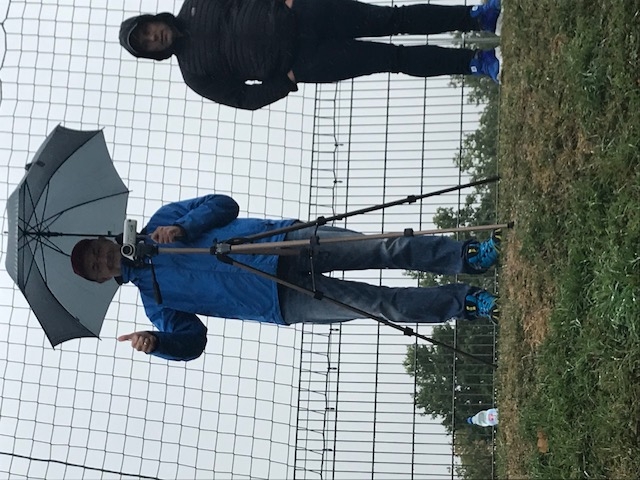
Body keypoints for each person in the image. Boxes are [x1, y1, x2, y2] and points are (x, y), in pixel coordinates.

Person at [70, 194, 501, 362]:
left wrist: (184, 227)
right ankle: (465, 303)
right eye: (94, 267)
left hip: (282, 242)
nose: (101, 260)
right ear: (101, 279)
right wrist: (158, 342)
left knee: (383, 247)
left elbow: (224, 205)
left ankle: (468, 256)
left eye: (95, 251)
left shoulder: (162, 221)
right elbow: (194, 342)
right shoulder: (156, 303)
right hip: (281, 300)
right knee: (380, 305)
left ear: (103, 240)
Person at [118, 0, 503, 110]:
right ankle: (474, 63)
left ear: (152, 19)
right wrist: (284, 82)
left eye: (148, 30)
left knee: (392, 18)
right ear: (153, 54)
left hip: (305, 12)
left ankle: (475, 16)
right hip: (303, 63)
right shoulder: (194, 74)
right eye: (148, 44)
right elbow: (242, 98)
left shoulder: (196, 3)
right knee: (392, 59)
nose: (154, 37)